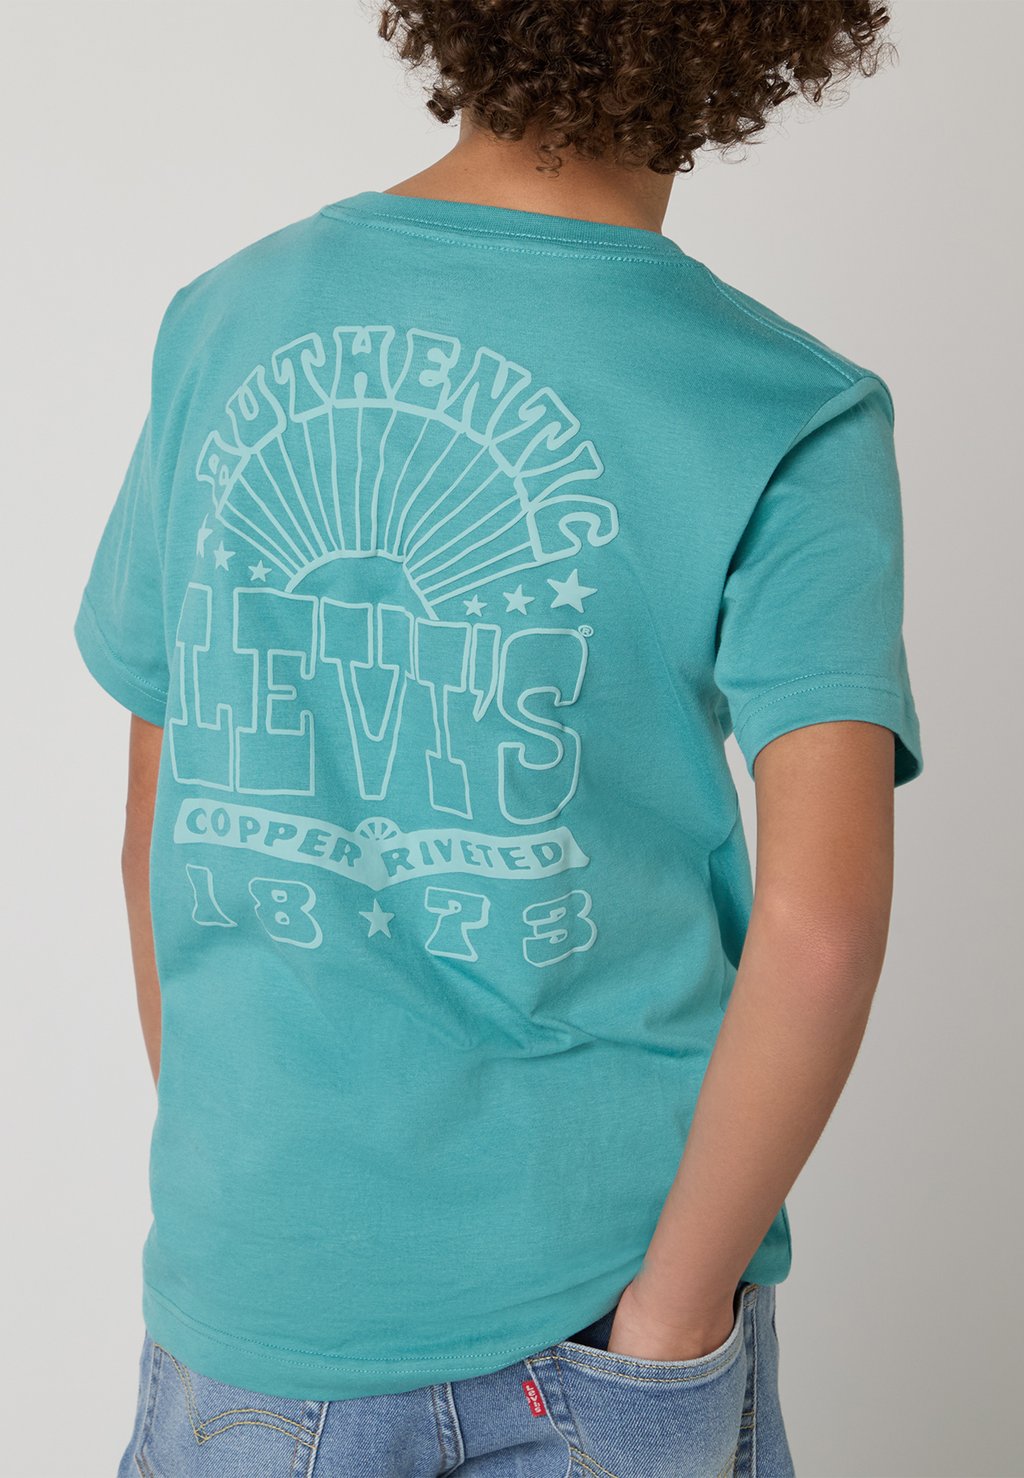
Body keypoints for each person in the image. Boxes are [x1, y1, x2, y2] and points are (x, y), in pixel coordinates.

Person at [76, 3, 922, 1474]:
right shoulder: (787, 409)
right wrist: (673, 1324)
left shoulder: (225, 321)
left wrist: (261, 1202)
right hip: (603, 1303)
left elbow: (163, 823)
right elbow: (823, 926)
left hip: (254, 1296)